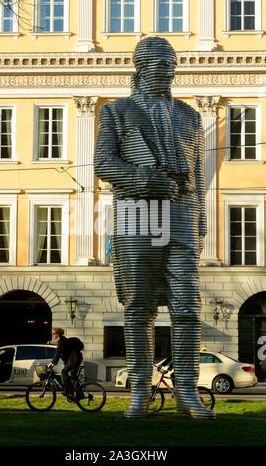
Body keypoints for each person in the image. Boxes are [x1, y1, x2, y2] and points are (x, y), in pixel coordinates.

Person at [94, 36, 215, 419]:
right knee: (137, 309)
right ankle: (140, 392)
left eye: (172, 64)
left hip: (181, 215)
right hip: (134, 215)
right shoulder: (116, 112)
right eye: (162, 64)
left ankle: (186, 392)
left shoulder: (190, 115)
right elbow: (103, 165)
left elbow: (197, 171)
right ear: (142, 68)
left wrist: (200, 225)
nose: (170, 71)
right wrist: (145, 180)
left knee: (188, 308)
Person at [47, 328, 83, 399]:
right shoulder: (62, 340)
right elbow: (64, 353)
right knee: (72, 375)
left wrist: (52, 363)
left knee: (64, 372)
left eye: (53, 333)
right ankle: (78, 394)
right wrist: (65, 362)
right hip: (75, 359)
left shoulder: (62, 341)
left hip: (74, 360)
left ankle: (68, 391)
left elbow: (58, 352)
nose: (53, 335)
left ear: (57, 334)